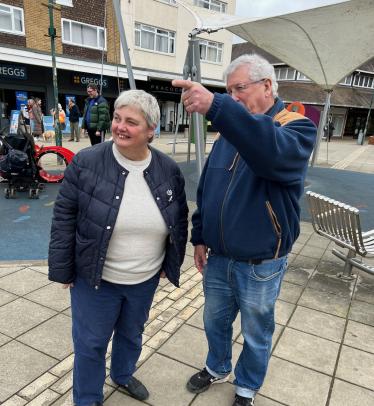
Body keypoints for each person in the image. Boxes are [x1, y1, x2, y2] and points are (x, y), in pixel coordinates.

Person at [172, 53, 317, 406]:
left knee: (256, 331)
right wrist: (201, 236)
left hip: (261, 261)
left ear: (267, 85)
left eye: (239, 89)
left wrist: (219, 106)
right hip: (220, 255)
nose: (233, 97)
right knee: (214, 321)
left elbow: (271, 153)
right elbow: (207, 187)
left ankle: (247, 386)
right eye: (228, 91)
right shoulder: (232, 131)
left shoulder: (296, 127)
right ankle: (217, 367)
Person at [48, 90, 188, 406]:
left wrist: (172, 261)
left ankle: (122, 375)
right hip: (96, 279)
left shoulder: (168, 170)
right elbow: (63, 217)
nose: (120, 127)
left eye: (131, 122)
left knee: (131, 335)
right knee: (91, 343)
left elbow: (178, 219)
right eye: (117, 118)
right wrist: (62, 268)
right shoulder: (87, 162)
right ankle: (87, 398)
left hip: (144, 278)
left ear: (152, 130)